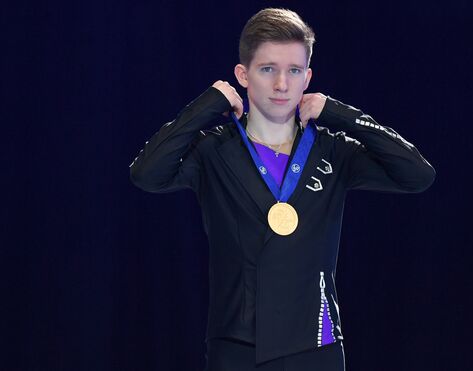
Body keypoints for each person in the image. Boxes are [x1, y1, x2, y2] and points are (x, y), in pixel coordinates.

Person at [129, 7, 435, 371]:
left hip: (316, 345)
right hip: (239, 345)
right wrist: (206, 105)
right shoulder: (214, 150)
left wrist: (340, 112)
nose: (281, 85)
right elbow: (147, 174)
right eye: (267, 69)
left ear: (308, 77)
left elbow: (417, 174)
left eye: (293, 71)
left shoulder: (333, 150)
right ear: (243, 74)